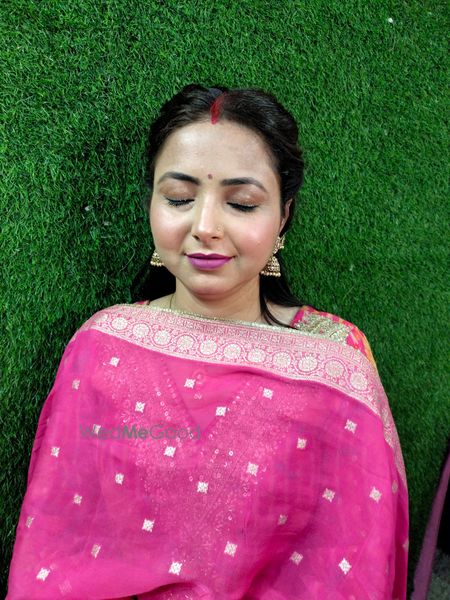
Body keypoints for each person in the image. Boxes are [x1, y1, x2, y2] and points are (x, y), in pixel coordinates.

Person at [6, 84, 408, 599]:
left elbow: (351, 561)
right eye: (179, 198)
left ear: (283, 215)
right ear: (151, 202)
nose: (205, 227)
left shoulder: (336, 363)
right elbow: (56, 544)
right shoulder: (104, 346)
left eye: (241, 203)